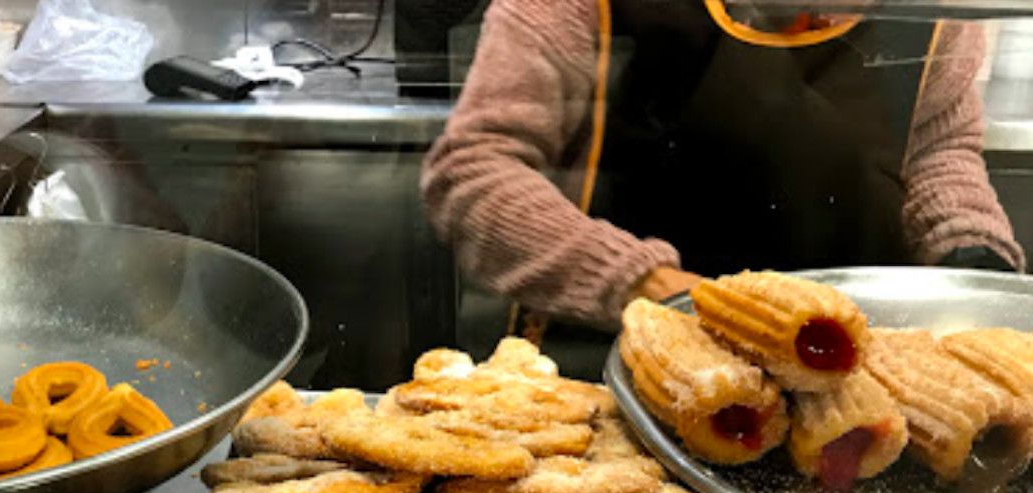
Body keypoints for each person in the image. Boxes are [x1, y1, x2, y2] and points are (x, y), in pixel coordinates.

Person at [421, 0, 1025, 335]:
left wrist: (974, 268)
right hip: (610, 368)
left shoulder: (939, 11)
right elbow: (475, 172)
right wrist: (648, 289)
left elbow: (936, 152)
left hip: (851, 383)